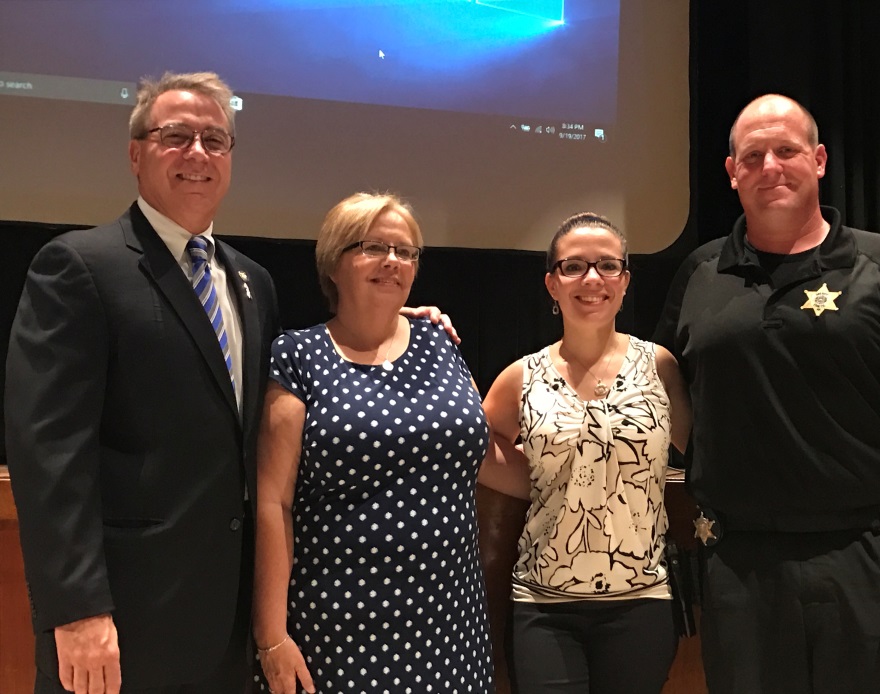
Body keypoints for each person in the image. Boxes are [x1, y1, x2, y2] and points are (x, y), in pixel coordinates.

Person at [5, 71, 281, 693]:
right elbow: (48, 452)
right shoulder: (79, 266)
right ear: (136, 154)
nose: (198, 153)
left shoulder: (252, 282)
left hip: (226, 621)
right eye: (176, 135)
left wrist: (397, 321)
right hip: (120, 622)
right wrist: (76, 609)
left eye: (215, 139)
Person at [654, 93, 880, 693]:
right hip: (737, 567)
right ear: (731, 173)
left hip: (873, 559)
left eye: (786, 150)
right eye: (753, 156)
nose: (770, 166)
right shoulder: (699, 274)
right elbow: (655, 392)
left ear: (821, 159)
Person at [251, 193, 495, 694]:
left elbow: (477, 452)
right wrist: (271, 636)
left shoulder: (439, 340)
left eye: (405, 252)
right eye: (373, 247)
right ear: (333, 263)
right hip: (342, 626)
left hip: (451, 619)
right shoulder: (299, 355)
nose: (392, 261)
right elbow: (273, 504)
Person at [478, 212, 691, 694]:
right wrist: (531, 480)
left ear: (625, 281)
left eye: (607, 265)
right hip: (543, 606)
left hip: (642, 602)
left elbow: (704, 453)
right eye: (573, 266)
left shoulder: (661, 367)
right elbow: (471, 445)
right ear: (552, 284)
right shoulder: (521, 377)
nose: (592, 278)